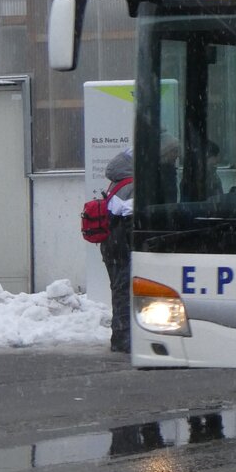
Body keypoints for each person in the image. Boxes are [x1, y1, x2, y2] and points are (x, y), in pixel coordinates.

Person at [101, 147, 134, 353]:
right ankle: (122, 339)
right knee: (123, 292)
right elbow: (130, 219)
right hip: (122, 247)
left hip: (111, 245)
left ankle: (120, 336)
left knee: (119, 291)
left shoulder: (117, 182)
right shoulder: (131, 186)